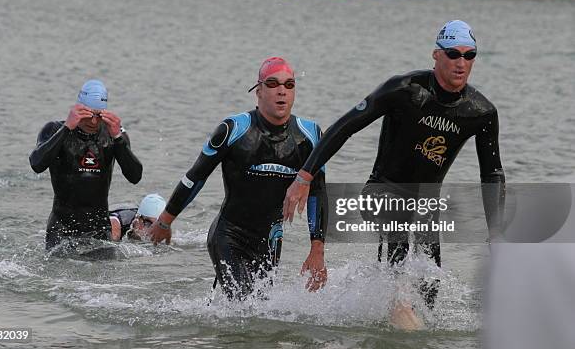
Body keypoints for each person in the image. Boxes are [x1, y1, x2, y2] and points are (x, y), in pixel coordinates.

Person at [283, 20, 505, 327]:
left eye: (469, 55)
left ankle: (404, 318)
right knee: (399, 260)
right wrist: (304, 177)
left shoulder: (481, 112)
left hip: (426, 205)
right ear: (436, 55)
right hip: (381, 192)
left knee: (430, 286)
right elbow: (345, 127)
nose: (461, 62)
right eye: (453, 53)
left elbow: (492, 174)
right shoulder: (404, 90)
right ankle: (397, 304)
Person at [149, 57, 328, 300]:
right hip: (229, 235)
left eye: (289, 85)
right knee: (244, 304)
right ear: (259, 91)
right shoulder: (234, 129)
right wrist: (165, 221)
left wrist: (317, 249)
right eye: (273, 84)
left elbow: (318, 193)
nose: (281, 92)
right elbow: (195, 177)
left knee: (261, 313)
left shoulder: (310, 136)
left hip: (271, 240)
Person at [29, 79, 143, 251]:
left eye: (98, 115)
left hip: (99, 231)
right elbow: (36, 164)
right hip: (61, 229)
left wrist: (118, 139)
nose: (94, 121)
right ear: (78, 109)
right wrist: (67, 128)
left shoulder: (113, 135)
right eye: (88, 114)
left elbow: (135, 176)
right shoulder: (54, 129)